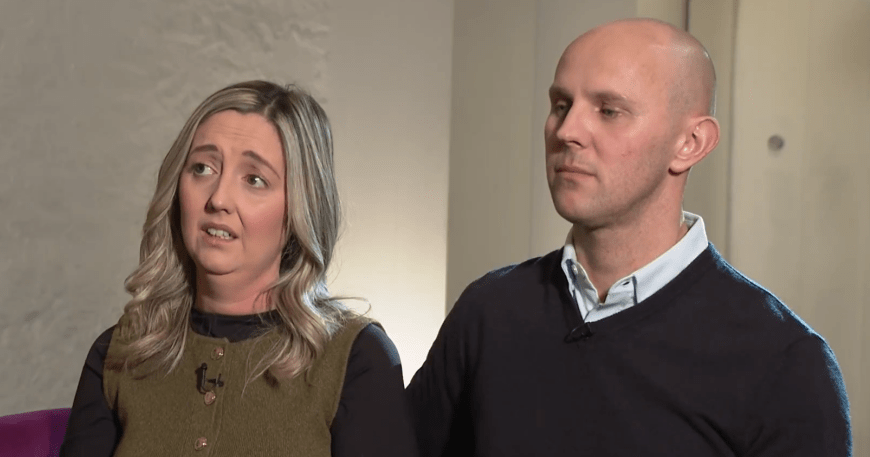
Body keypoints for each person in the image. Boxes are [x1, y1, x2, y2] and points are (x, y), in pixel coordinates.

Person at [406, 18, 851, 457]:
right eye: (561, 105)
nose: (566, 132)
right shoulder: (489, 312)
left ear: (691, 142)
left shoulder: (783, 361)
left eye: (609, 111)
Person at [60, 80, 418, 456]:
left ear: (299, 209)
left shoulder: (357, 358)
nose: (218, 199)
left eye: (254, 180)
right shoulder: (121, 352)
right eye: (202, 168)